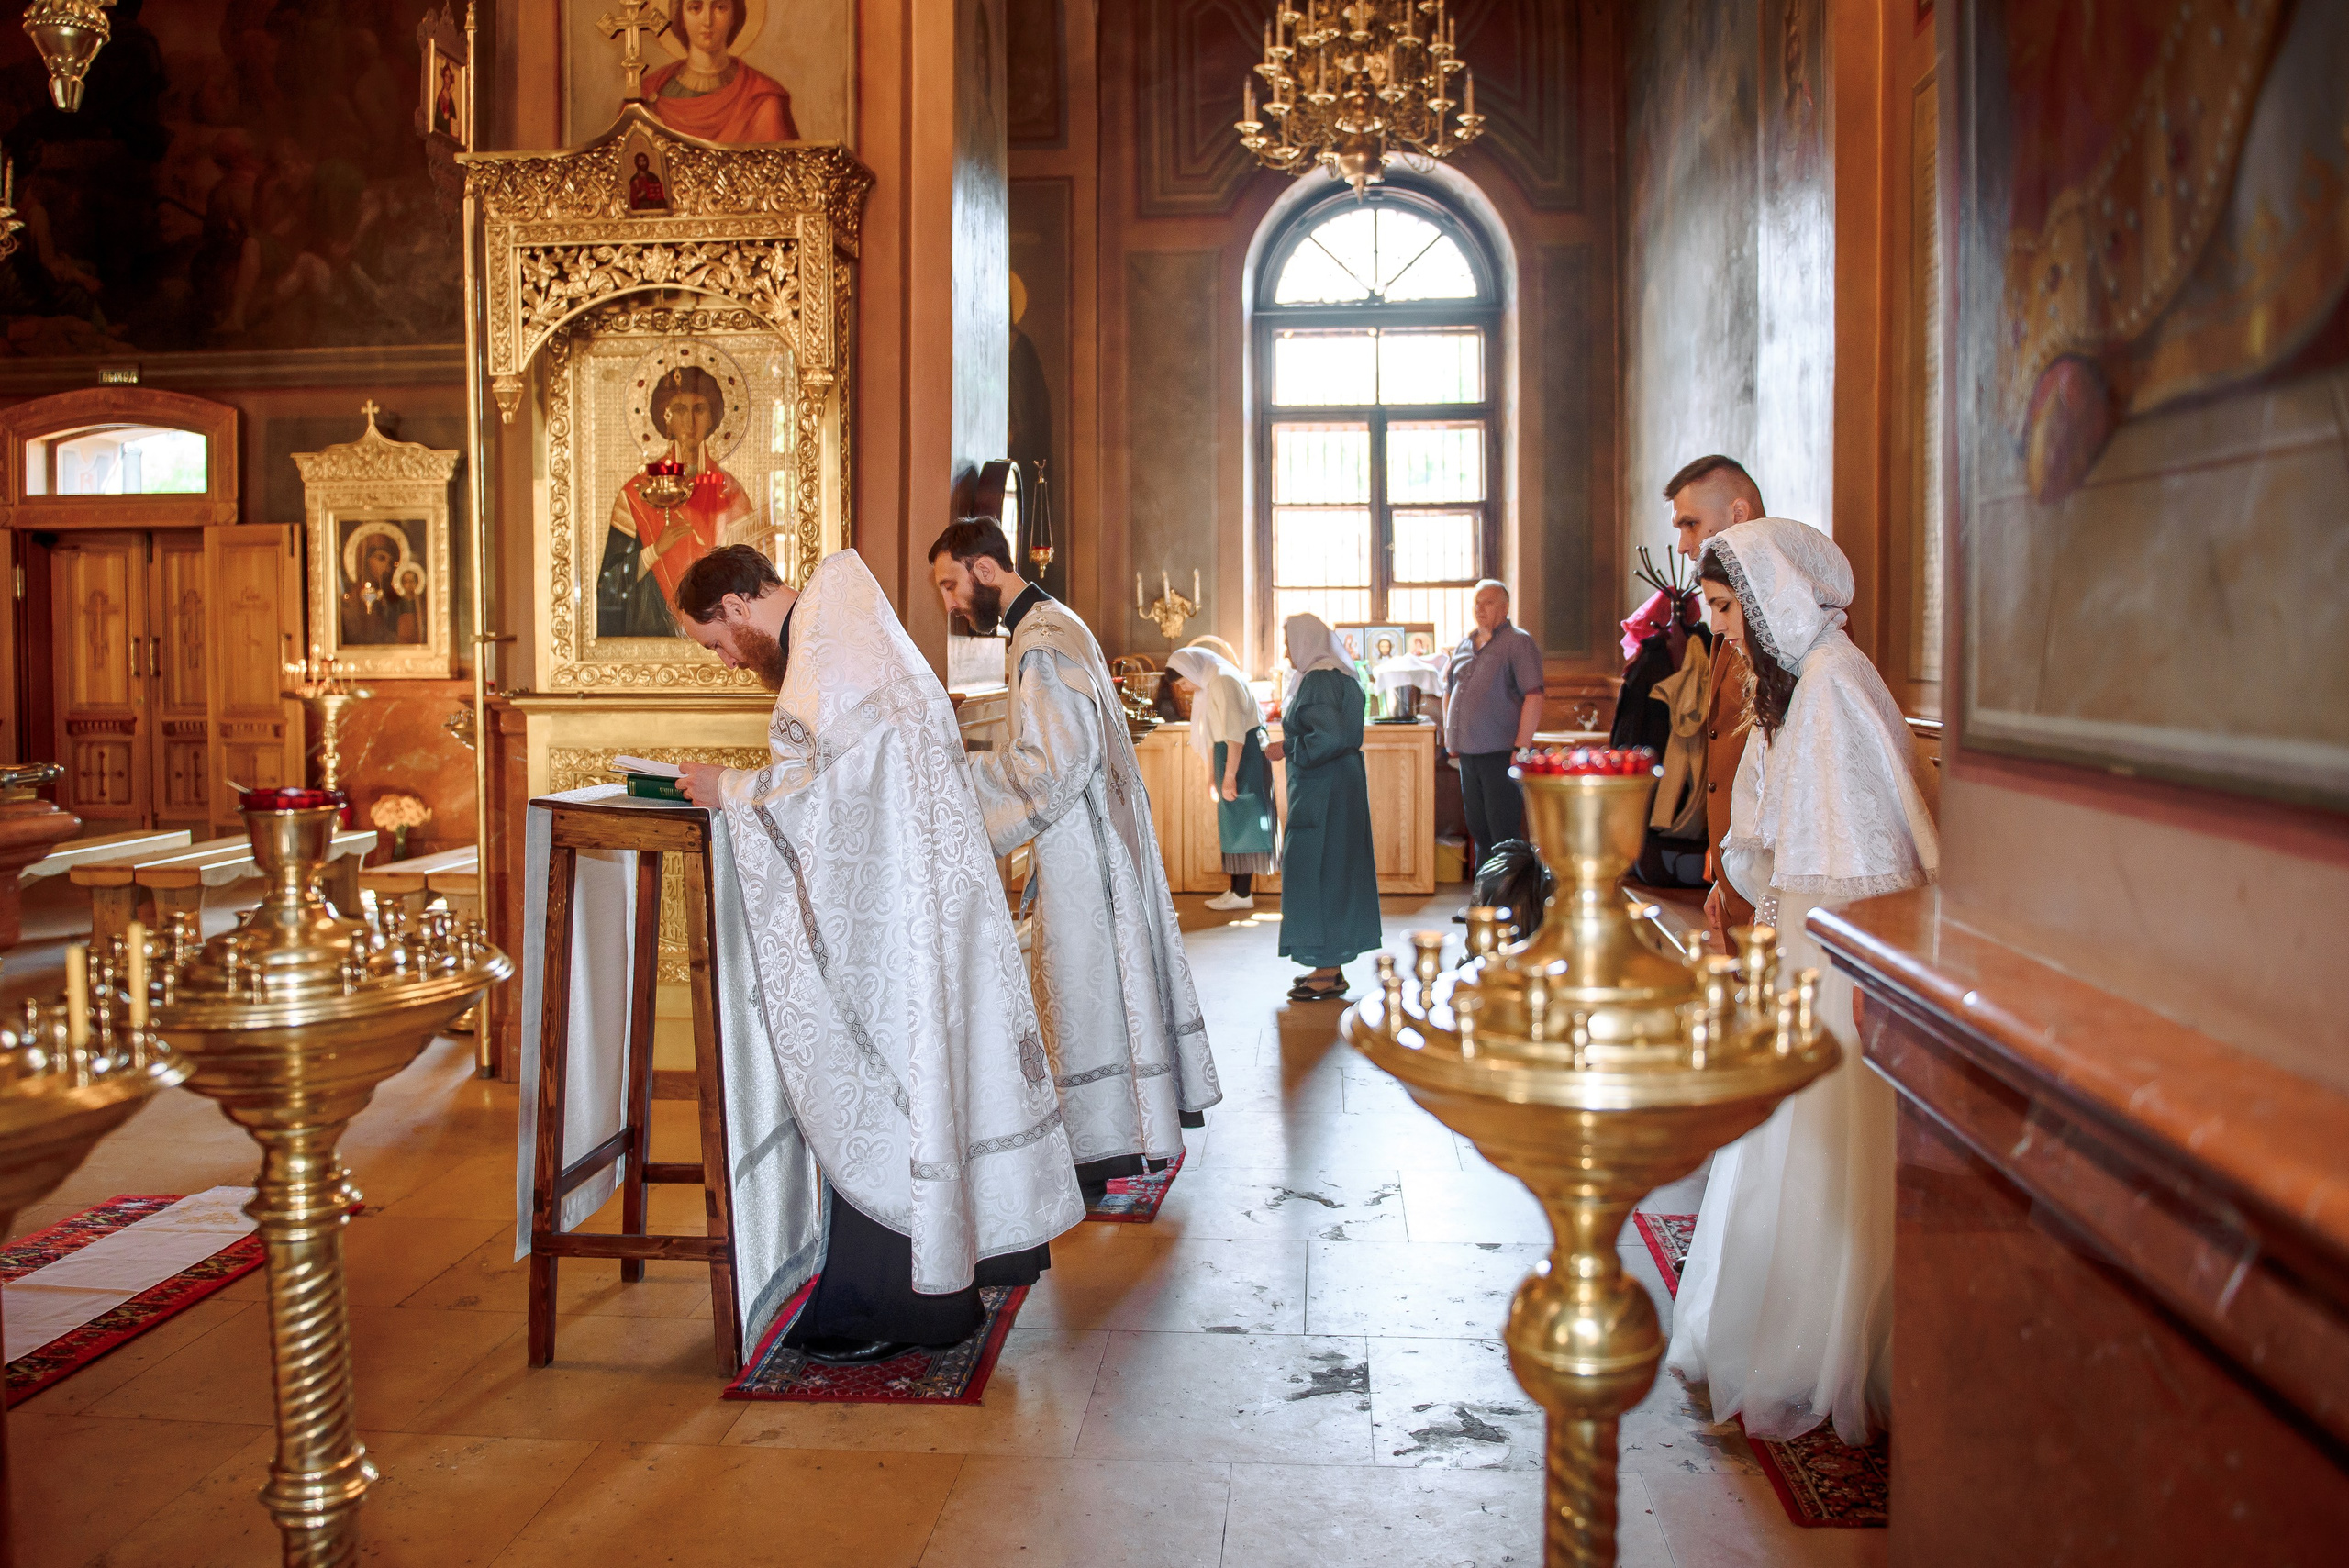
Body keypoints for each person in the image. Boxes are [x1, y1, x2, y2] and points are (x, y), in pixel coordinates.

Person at [669, 545, 1082, 1364]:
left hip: (894, 920)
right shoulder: (839, 628)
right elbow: (849, 780)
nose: (723, 658)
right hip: (915, 903)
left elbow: (836, 795)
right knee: (926, 1080)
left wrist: (733, 791)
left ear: (740, 604)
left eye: (716, 640)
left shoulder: (830, 646)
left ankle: (900, 1301)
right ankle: (954, 1261)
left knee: (886, 1082)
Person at [1664, 517, 1939, 1445]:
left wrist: (1764, 911)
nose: (1721, 631)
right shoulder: (1805, 684)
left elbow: (1844, 861)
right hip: (1802, 937)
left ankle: (1815, 1349)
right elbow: (1771, 821)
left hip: (1832, 952)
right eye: (1711, 611)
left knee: (1820, 1138)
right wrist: (1732, 886)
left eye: (1727, 608)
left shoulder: (1829, 688)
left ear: (1772, 599)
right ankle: (1767, 1325)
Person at [926, 521, 1221, 1205]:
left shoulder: (1038, 643)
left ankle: (1100, 1141)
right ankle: (1124, 1126)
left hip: (1081, 850)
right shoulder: (1061, 623)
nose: (948, 601)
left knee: (1084, 987)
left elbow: (1052, 767)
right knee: (1105, 988)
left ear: (987, 570)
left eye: (951, 582)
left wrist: (957, 775)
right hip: (1100, 838)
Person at [1663, 454, 1768, 940]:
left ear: (1739, 514)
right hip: (1738, 868)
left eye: (1692, 525)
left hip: (1772, 876)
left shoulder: (1787, 616)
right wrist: (1723, 871)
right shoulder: (1731, 608)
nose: (1684, 546)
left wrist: (1755, 882)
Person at [1270, 615, 1381, 1002]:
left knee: (1318, 871)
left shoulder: (1317, 679)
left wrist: (1285, 747)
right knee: (1338, 870)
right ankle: (1328, 966)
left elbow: (1328, 737)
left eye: (1288, 642)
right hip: (1341, 786)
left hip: (1323, 789)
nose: (1286, 651)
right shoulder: (1344, 676)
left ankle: (1328, 968)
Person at [597, 364, 755, 638]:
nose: (689, 422)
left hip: (719, 636)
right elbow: (609, 586)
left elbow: (752, 580)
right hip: (652, 626)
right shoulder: (636, 493)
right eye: (680, 410)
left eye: (699, 409)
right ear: (665, 418)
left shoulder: (731, 492)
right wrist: (655, 551)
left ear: (713, 417)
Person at [1166, 647, 1275, 913]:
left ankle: (1242, 892)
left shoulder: (1223, 680)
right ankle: (1236, 890)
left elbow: (1236, 734)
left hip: (1243, 755)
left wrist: (1229, 777)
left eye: (1183, 681)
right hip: (1231, 756)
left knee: (1245, 821)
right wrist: (1213, 777)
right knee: (1233, 822)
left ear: (1192, 670)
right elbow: (1216, 735)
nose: (1185, 689)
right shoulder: (1212, 682)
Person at [1444, 580, 1545, 866]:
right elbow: (1449, 689)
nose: (1480, 608)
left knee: (1503, 832)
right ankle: (1484, 904)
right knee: (1479, 831)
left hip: (1501, 753)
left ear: (1505, 607)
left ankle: (1509, 904)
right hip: (1468, 752)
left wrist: (1520, 748)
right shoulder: (1465, 645)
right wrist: (1451, 739)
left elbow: (1534, 696)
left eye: (1488, 602)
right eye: (1477, 602)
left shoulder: (1518, 643)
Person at [645, 0, 798, 144]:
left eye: (720, 7)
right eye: (695, 8)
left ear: (734, 16)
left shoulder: (763, 100)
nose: (708, 21)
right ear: (680, 17)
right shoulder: (650, 94)